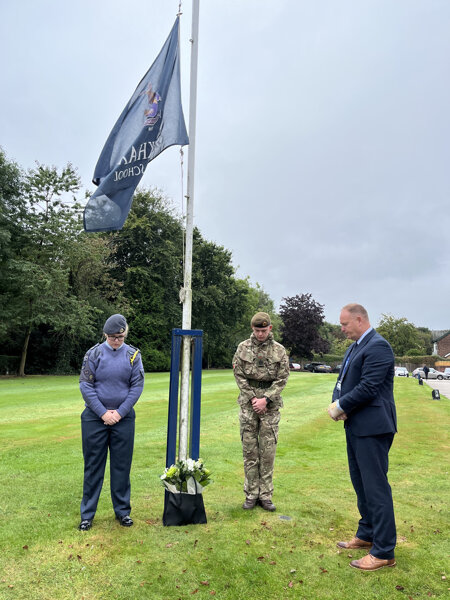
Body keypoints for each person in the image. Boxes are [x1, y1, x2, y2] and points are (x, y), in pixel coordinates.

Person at [327, 303, 397, 571]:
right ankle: (367, 533)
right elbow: (342, 381)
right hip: (356, 425)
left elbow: (369, 387)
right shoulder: (355, 346)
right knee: (360, 483)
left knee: (376, 488)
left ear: (359, 320)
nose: (342, 329)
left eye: (345, 324)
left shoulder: (379, 346)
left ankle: (384, 551)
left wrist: (341, 406)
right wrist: (338, 403)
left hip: (374, 428)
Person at [78, 314, 145, 531]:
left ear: (125, 334)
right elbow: (85, 385)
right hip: (94, 419)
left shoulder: (133, 355)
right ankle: (87, 515)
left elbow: (136, 386)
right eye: (112, 337)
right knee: (93, 467)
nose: (117, 341)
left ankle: (123, 512)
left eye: (120, 337)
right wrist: (103, 413)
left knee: (121, 467)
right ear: (105, 335)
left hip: (123, 420)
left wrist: (120, 412)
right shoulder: (93, 354)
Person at [233, 312, 290, 511]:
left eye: (263, 330)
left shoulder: (279, 350)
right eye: (257, 330)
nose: (260, 334)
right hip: (249, 405)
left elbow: (282, 378)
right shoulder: (243, 348)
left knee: (267, 451)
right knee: (250, 451)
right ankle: (251, 494)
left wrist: (265, 399)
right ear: (252, 329)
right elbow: (238, 375)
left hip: (270, 406)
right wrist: (253, 398)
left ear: (270, 329)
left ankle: (265, 495)